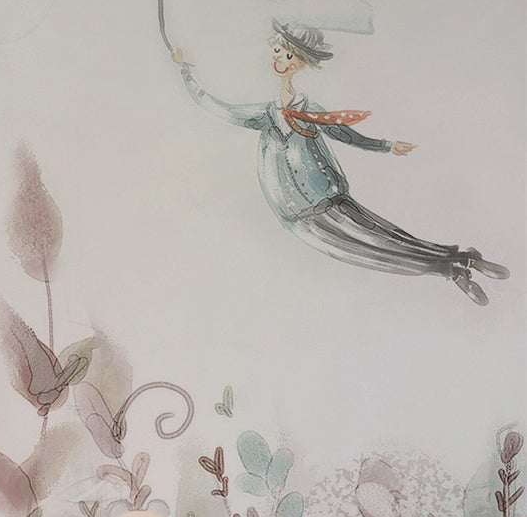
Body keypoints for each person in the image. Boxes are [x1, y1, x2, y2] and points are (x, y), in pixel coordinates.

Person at [171, 20, 508, 304]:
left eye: (288, 55)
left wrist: (386, 146)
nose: (280, 60)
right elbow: (218, 108)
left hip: (329, 198)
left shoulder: (310, 109)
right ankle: (453, 269)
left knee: (387, 241)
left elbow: (348, 136)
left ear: (301, 62)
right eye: (277, 52)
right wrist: (185, 70)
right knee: (370, 257)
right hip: (293, 213)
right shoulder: (266, 114)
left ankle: (465, 258)